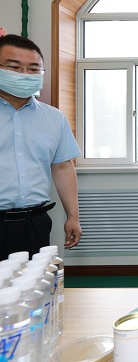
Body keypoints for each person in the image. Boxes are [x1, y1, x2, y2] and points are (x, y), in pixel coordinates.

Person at [0, 34, 82, 260]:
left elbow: (63, 167)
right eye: (14, 67)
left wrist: (73, 216)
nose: (24, 74)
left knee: (35, 280)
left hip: (34, 223)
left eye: (33, 69)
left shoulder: (54, 118)